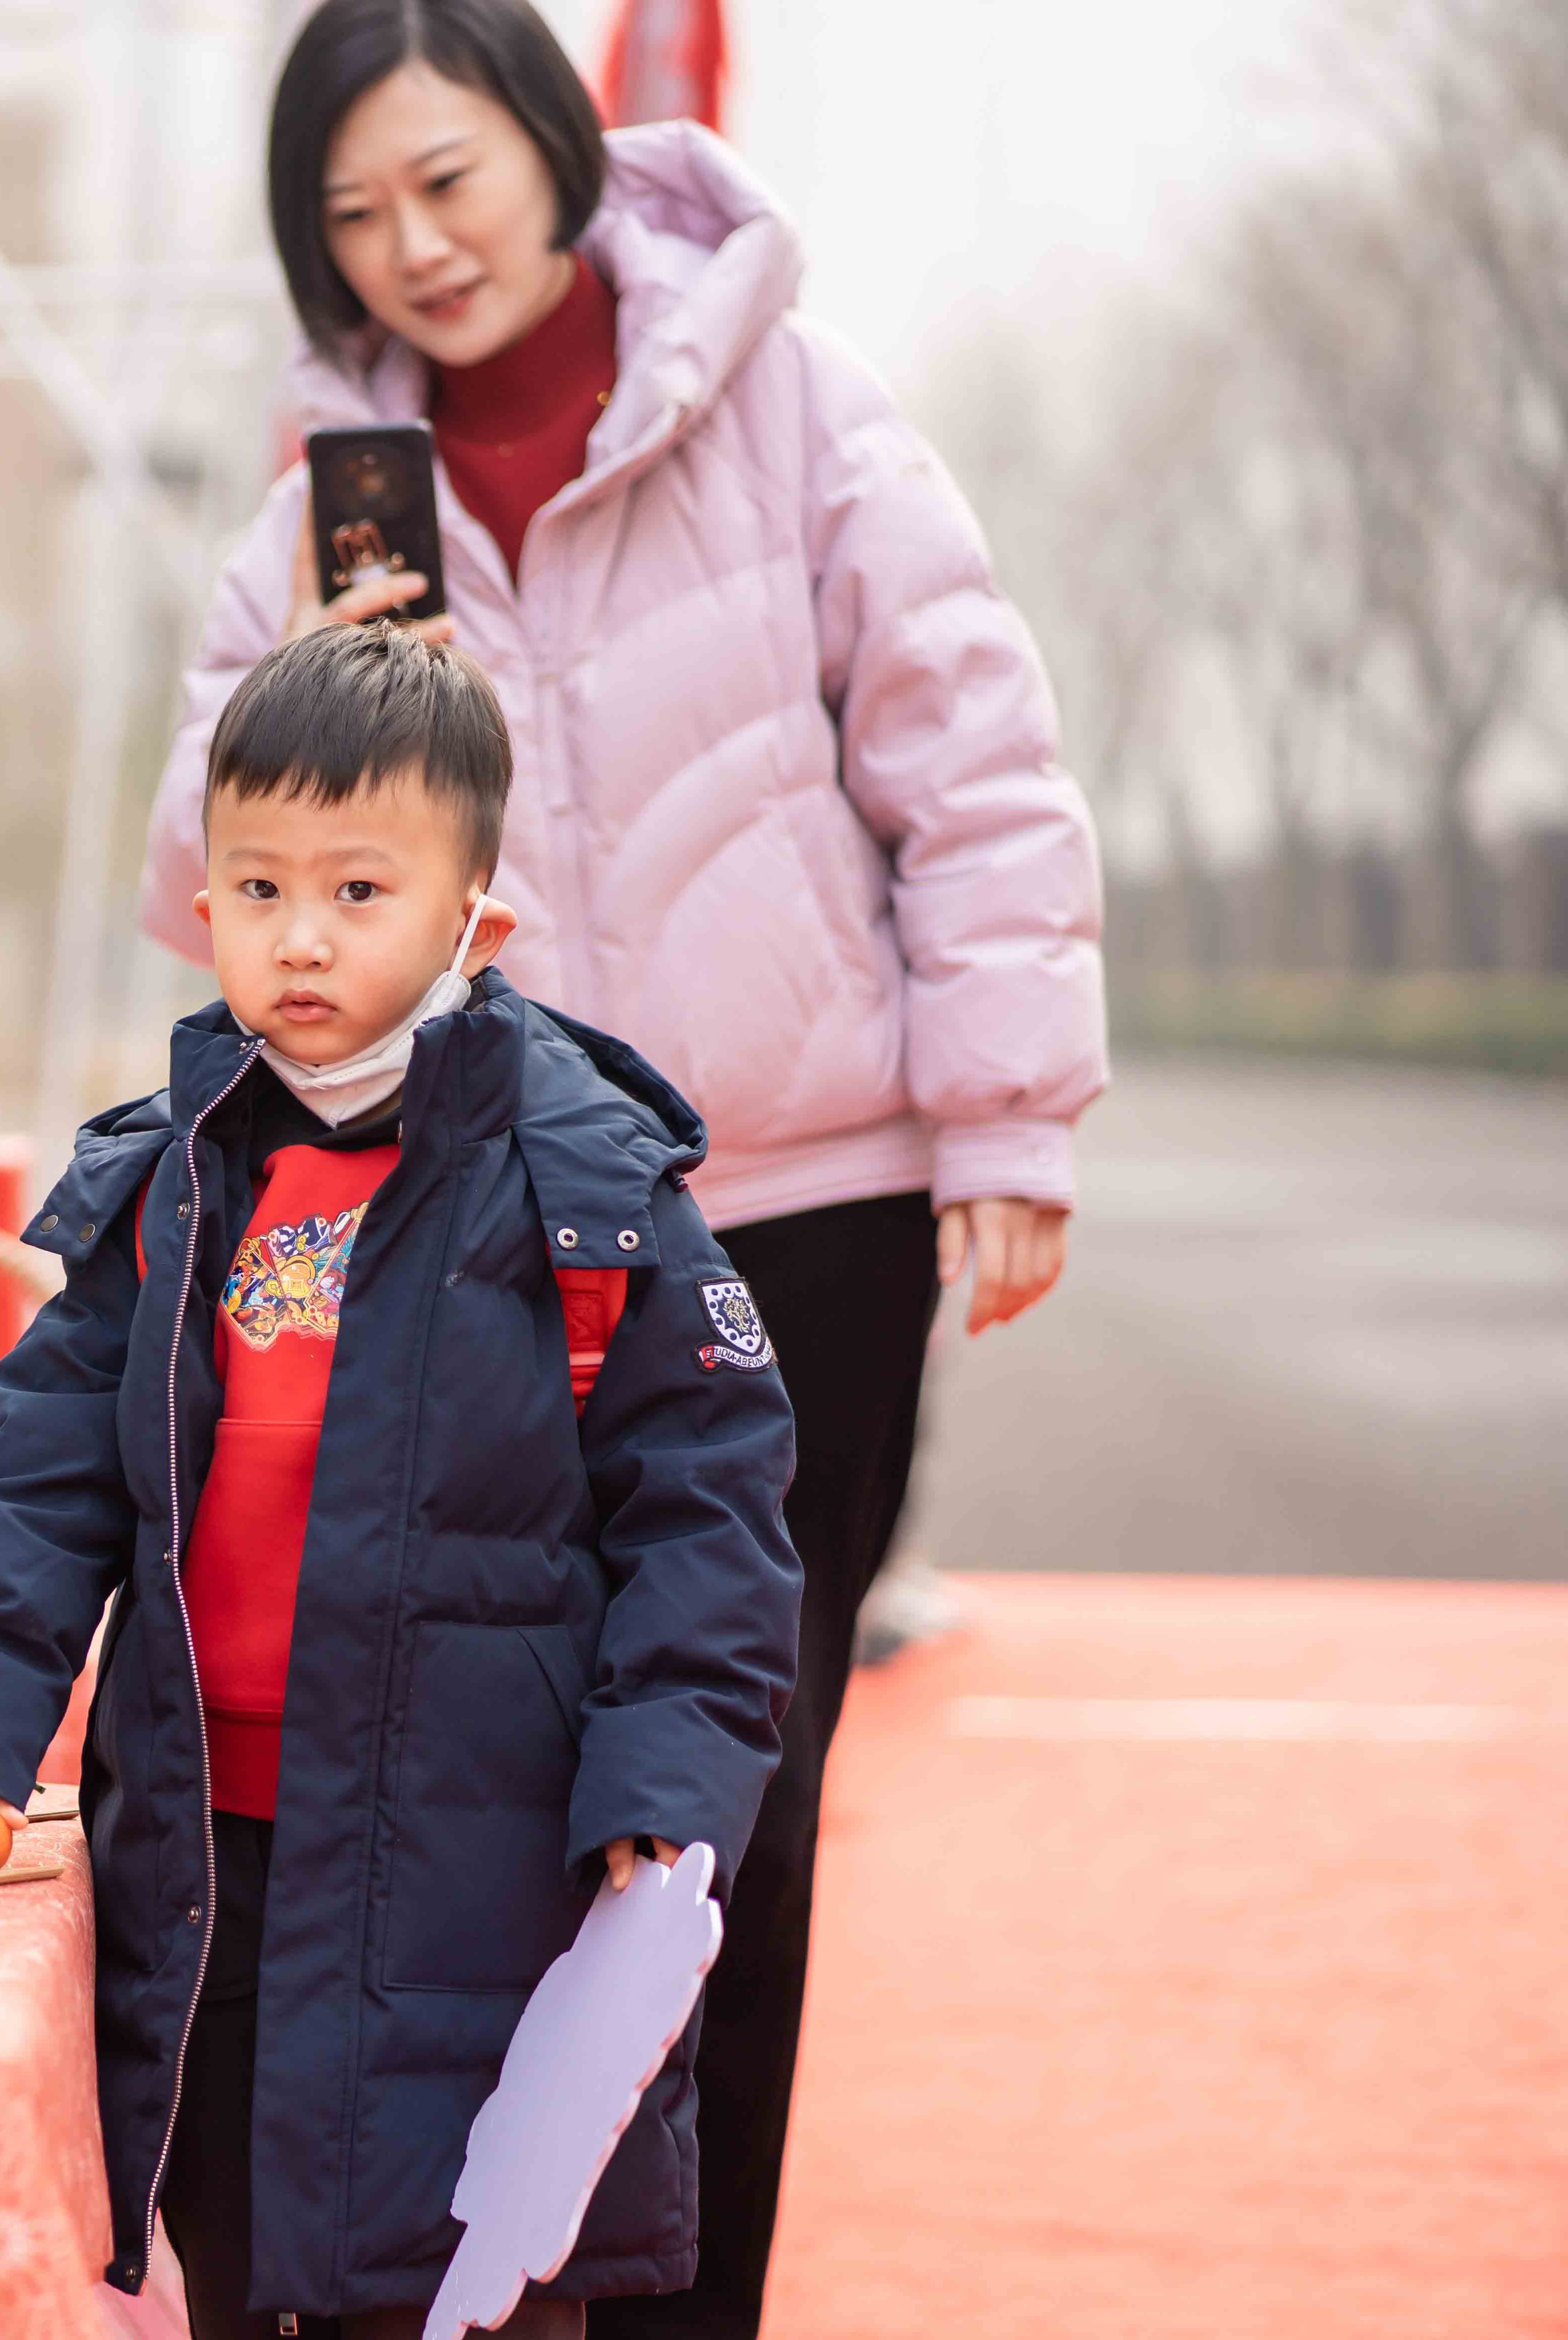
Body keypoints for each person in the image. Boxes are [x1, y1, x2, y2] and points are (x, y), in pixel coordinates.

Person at [135, 7, 1107, 2326]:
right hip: (480, 1233)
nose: (417, 247)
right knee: (498, 1793)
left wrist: (1001, 1113)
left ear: (556, 149)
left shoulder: (790, 399)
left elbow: (964, 751)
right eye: (356, 214)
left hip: (800, 1207)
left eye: (447, 181)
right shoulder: (315, 496)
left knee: (716, 1821)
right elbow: (200, 861)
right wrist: (313, 683)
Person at [0, 624, 801, 2338]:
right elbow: (33, 1495)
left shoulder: (588, 1192)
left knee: (453, 2277)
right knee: (229, 2244)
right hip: (211, 1859)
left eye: (359, 891)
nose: (299, 937)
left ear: (471, 915)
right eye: (258, 885)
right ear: (199, 906)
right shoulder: (171, 1188)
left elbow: (707, 1519)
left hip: (481, 1869)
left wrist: (661, 1796)